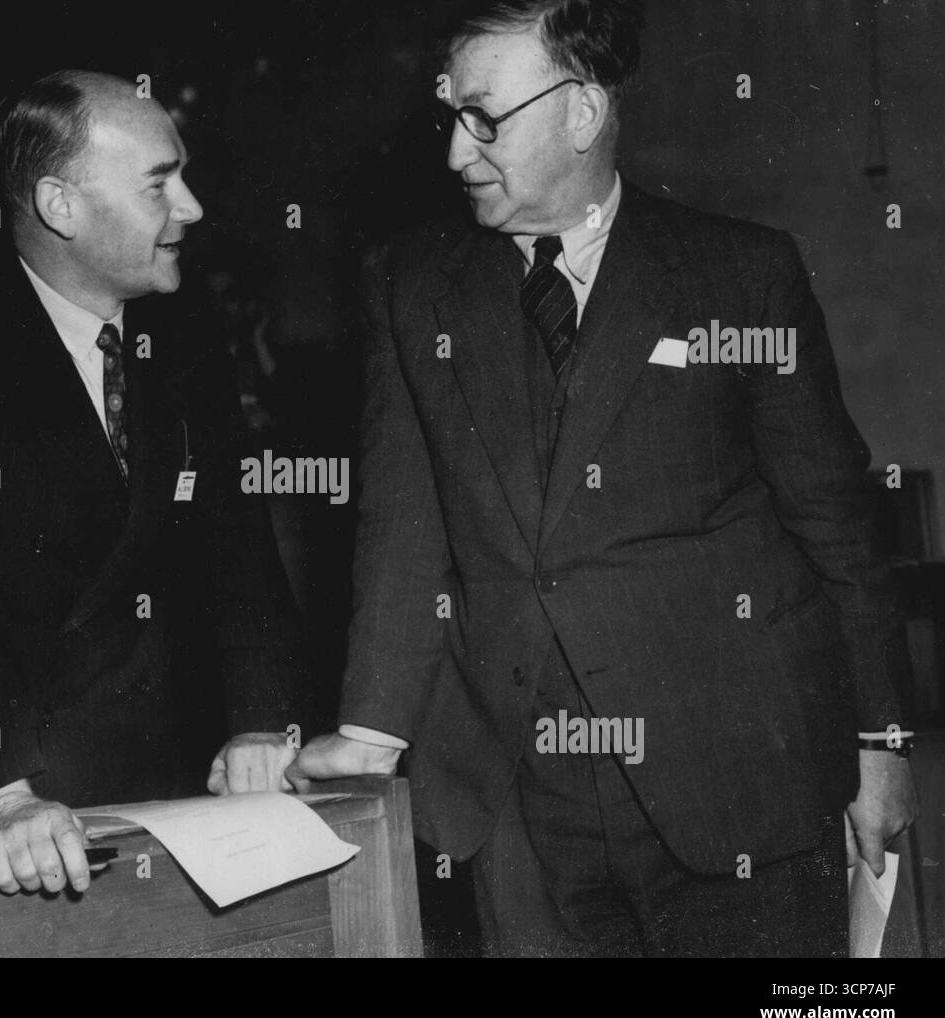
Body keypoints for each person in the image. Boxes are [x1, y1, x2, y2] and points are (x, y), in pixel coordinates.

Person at [289, 0, 917, 957]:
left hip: (740, 770)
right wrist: (370, 730)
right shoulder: (410, 283)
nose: (458, 152)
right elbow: (401, 527)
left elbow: (838, 527)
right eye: (450, 115)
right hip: (520, 803)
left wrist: (882, 743)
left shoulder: (740, 274)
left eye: (486, 118)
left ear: (581, 111)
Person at [0, 71, 309, 894]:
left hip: (125, 784)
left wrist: (261, 721)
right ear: (60, 206)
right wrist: (1, 794)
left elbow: (237, 552)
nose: (191, 207)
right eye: (160, 184)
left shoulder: (182, 332)